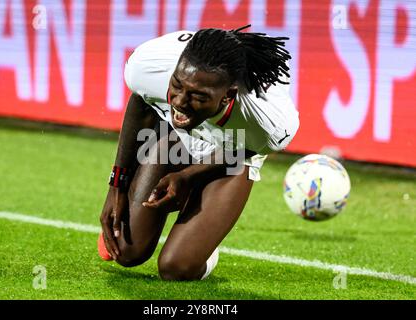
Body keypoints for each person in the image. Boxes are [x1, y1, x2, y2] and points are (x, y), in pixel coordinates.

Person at [98, 25, 299, 281]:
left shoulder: (268, 123)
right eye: (177, 86)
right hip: (178, 138)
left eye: (198, 96)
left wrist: (188, 176)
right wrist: (117, 185)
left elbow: (245, 149)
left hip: (231, 151)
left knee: (176, 269)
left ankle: (204, 242)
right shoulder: (148, 65)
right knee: (126, 252)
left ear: (228, 96)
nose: (180, 101)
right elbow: (142, 100)